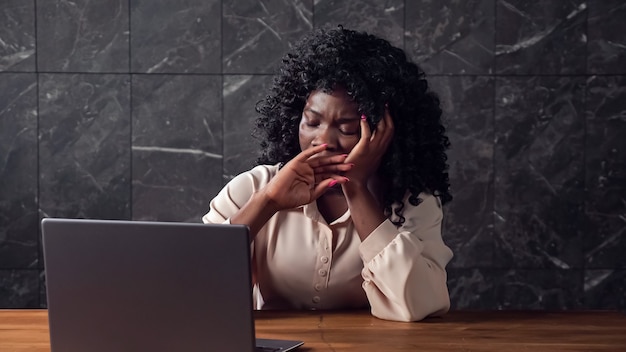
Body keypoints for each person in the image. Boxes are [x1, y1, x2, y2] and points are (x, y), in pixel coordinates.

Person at [203, 26, 453, 322]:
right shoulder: (252, 187)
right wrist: (268, 202)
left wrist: (356, 188)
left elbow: (419, 305)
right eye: (311, 122)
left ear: (384, 133)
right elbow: (195, 285)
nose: (323, 141)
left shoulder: (412, 203)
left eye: (347, 128)